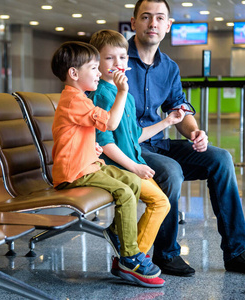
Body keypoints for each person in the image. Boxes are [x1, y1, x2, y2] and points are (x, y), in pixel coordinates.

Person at [126, 0, 245, 277]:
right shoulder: (117, 58)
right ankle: (166, 252)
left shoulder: (169, 68)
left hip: (156, 144)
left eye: (160, 18)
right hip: (126, 147)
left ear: (168, 26)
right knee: (170, 170)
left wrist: (195, 132)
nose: (153, 23)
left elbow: (180, 108)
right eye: (146, 17)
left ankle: (237, 252)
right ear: (134, 22)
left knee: (221, 158)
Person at [50, 41, 164, 287]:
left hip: (88, 163)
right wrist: (122, 92)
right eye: (93, 68)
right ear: (74, 73)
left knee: (132, 180)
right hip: (75, 173)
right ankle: (129, 257)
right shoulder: (75, 100)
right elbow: (110, 124)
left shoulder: (79, 98)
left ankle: (116, 231)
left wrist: (91, 145)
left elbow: (75, 132)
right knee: (124, 192)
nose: (99, 73)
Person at [88, 29, 182, 276]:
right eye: (110, 59)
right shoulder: (100, 95)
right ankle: (131, 258)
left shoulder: (124, 95)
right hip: (115, 167)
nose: (118, 63)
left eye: (123, 57)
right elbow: (105, 142)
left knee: (160, 202)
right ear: (96, 64)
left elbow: (134, 136)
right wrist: (134, 167)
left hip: (130, 163)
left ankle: (126, 248)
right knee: (160, 201)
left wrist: (166, 122)